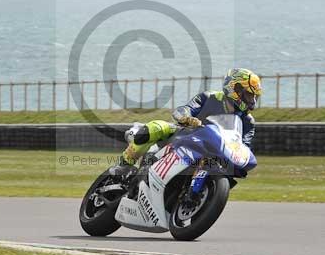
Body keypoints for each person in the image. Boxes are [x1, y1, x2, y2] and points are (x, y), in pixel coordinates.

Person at [111, 68, 262, 176]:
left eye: (254, 97)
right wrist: (188, 119)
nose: (252, 101)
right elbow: (181, 111)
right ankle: (123, 166)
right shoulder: (209, 97)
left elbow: (243, 147)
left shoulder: (248, 121)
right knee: (156, 128)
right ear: (234, 88)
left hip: (213, 153)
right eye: (249, 95)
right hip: (185, 135)